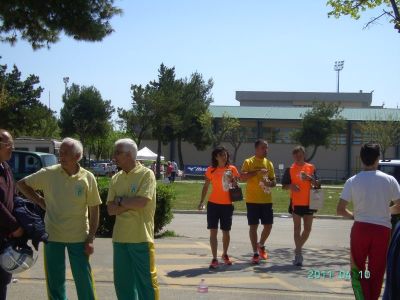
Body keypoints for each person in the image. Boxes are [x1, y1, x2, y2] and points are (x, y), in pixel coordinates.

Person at [17, 137, 101, 300]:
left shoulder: (87, 177)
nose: (61, 156)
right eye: (59, 152)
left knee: (84, 279)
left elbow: (94, 210)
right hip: (53, 235)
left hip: (79, 236)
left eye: (65, 153)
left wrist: (90, 237)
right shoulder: (49, 173)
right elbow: (22, 184)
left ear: (77, 156)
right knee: (55, 281)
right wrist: (40, 201)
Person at [337, 143, 400, 300]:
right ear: (378, 159)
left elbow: (340, 209)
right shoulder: (389, 180)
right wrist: (387, 211)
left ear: (361, 159)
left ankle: (361, 297)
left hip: (360, 228)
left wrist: (354, 215)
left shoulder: (352, 180)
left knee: (356, 268)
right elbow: (399, 206)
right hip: (382, 230)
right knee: (377, 270)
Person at [107, 138, 159, 300]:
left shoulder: (146, 174)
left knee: (146, 284)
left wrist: (121, 201)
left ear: (129, 155)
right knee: (123, 284)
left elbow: (142, 202)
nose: (114, 156)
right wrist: (130, 203)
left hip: (141, 238)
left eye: (117, 153)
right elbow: (110, 209)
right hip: (120, 239)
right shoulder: (116, 178)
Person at [198, 146, 239, 269]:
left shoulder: (232, 169)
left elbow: (236, 186)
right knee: (213, 232)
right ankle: (214, 258)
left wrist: (232, 179)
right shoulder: (210, 170)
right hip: (213, 204)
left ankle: (225, 254)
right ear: (216, 157)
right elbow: (206, 186)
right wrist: (201, 201)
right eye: (221, 155)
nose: (224, 157)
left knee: (226, 232)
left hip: (227, 205)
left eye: (225, 155)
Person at [281, 146, 320, 267]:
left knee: (307, 230)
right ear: (293, 156)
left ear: (304, 154)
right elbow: (284, 185)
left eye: (300, 154)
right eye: (296, 154)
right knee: (297, 229)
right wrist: (291, 186)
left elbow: (317, 184)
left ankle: (297, 248)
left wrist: (309, 178)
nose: (298, 156)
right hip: (296, 203)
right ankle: (298, 254)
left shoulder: (311, 167)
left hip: (310, 202)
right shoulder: (290, 169)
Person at [240, 139, 276, 264]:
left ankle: (261, 244)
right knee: (253, 227)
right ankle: (255, 253)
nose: (265, 150)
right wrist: (257, 172)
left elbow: (274, 182)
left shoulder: (269, 163)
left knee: (268, 226)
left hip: (266, 200)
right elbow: (243, 177)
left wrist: (269, 183)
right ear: (256, 149)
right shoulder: (249, 162)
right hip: (252, 200)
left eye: (267, 148)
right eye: (263, 148)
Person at [0, 129, 24, 300]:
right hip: (6, 230)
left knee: (3, 281)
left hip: (5, 238)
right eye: (9, 145)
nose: (12, 148)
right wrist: (15, 225)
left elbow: (13, 196)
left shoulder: (6, 167)